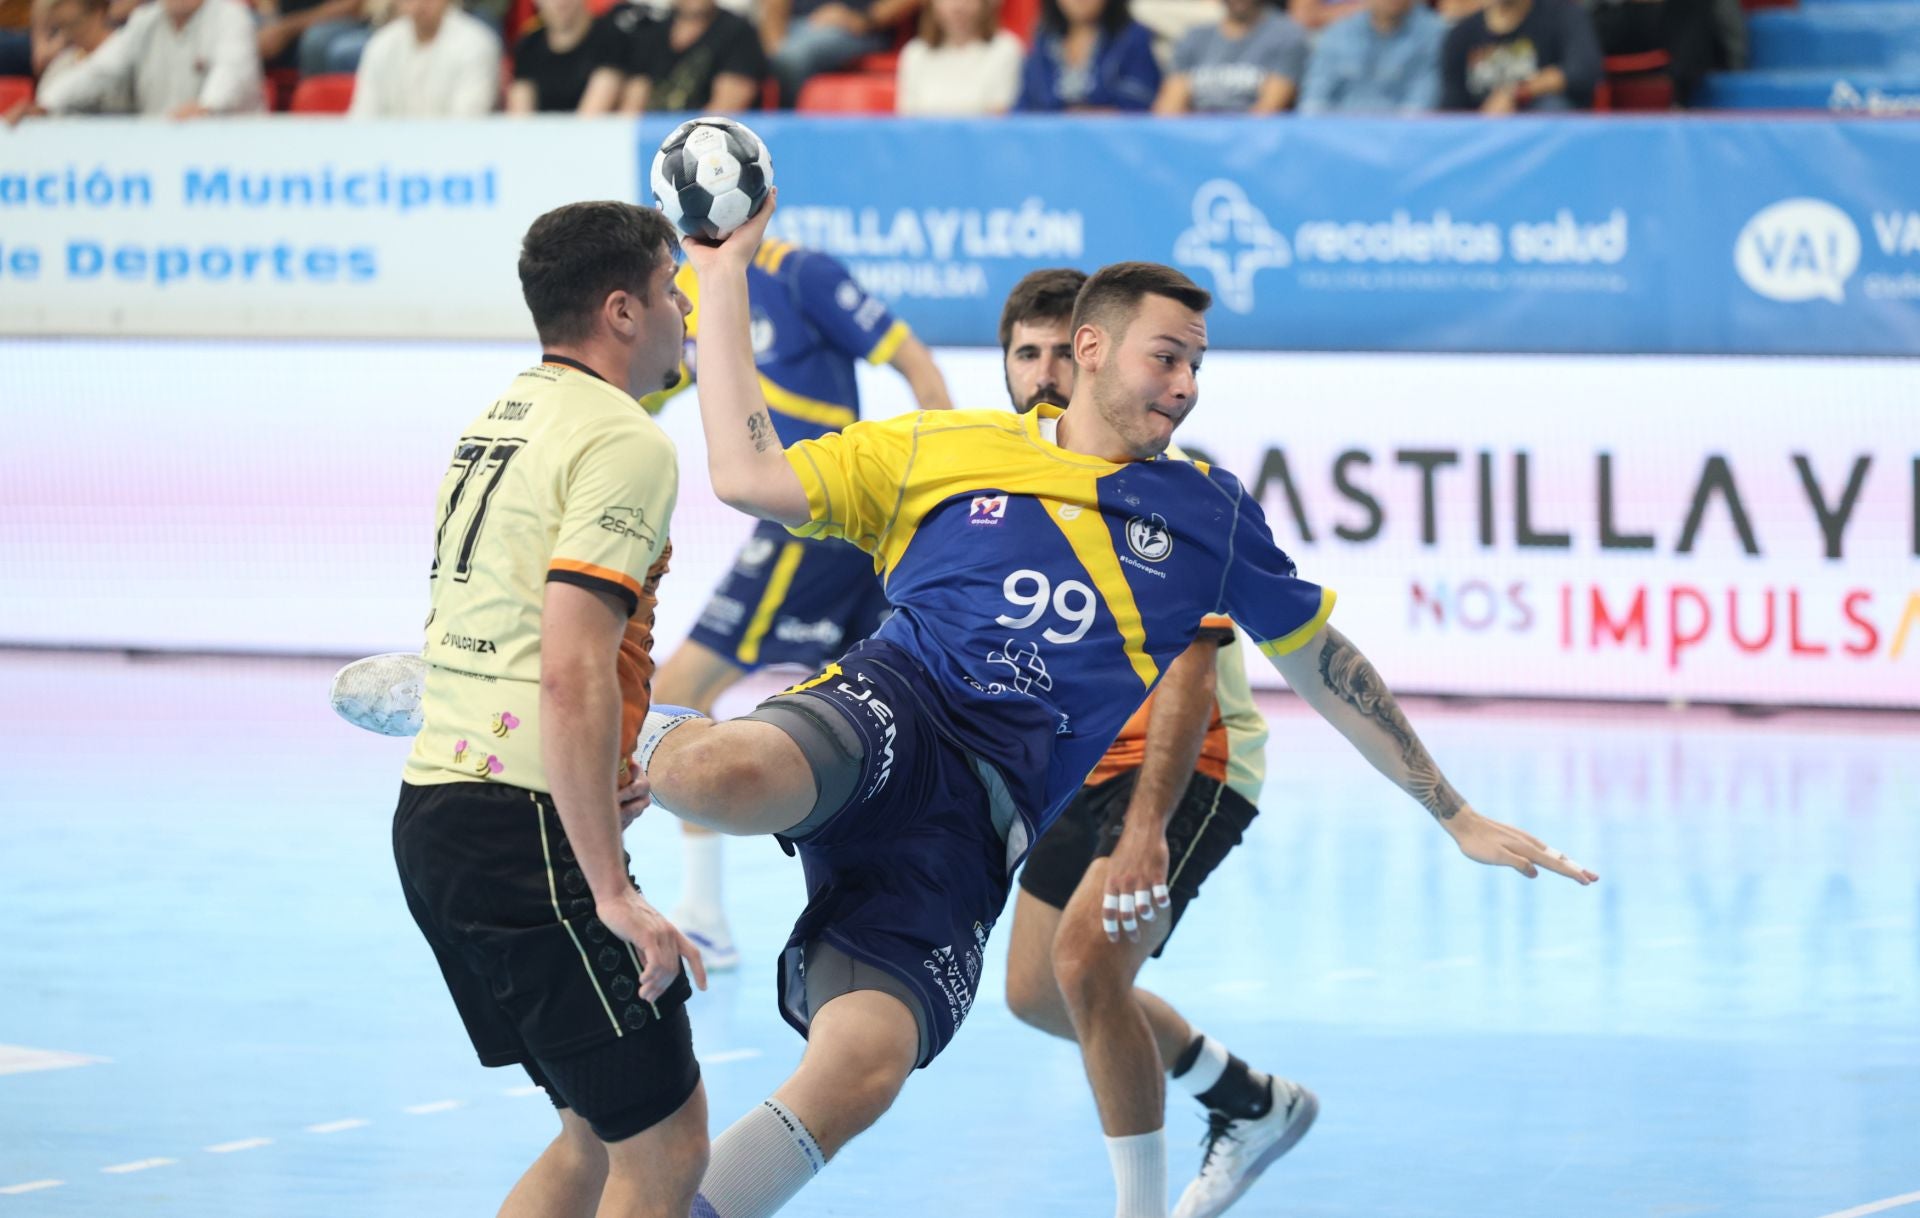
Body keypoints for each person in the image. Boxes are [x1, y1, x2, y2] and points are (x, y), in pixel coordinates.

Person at [643, 197, 1598, 1218]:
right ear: (1090, 350)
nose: (1186, 386)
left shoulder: (1209, 515)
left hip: (980, 824)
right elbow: (748, 473)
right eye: (1168, 358)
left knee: (865, 1068)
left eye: (1198, 366)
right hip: (897, 712)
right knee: (722, 775)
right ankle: (588, 728)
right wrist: (724, 269)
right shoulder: (940, 446)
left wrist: (1450, 810)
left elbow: (1323, 663)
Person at [389, 201, 709, 1218]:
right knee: (663, 1150)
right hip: (523, 837)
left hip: (442, 814)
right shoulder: (626, 441)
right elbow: (568, 672)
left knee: (592, 1137)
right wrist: (610, 889)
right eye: (671, 290)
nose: (683, 312)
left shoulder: (498, 419)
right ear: (621, 311)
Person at [994, 267, 1300, 1218]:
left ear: (1090, 353)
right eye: (1024, 355)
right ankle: (1251, 1101)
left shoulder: (1173, 489)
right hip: (1081, 765)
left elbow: (1188, 673)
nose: (1043, 372)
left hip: (1192, 759)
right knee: (1038, 994)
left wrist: (1145, 829)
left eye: (1057, 350)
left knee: (1087, 966)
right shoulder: (997, 473)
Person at [644, 237, 953, 970]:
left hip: (818, 513)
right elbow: (658, 386)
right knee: (887, 714)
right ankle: (888, 914)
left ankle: (707, 917)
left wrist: (944, 481)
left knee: (678, 691)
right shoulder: (682, 285)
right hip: (810, 525)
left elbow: (914, 361)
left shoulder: (800, 272)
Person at [30, 0, 263, 118]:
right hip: (160, 151)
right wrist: (45, 103)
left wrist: (206, 106)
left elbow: (231, 70)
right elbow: (100, 70)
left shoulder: (230, 15)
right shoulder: (145, 21)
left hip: (230, 157)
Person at [1439, 0, 1601, 113]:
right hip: (1483, 139)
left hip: (1543, 135)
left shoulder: (1563, 15)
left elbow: (1584, 69)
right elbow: (1451, 107)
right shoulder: (1461, 35)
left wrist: (1517, 93)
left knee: (1552, 106)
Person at [1151, 0, 1307, 115]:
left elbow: (1268, 110)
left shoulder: (1286, 36)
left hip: (1252, 144)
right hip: (1196, 140)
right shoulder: (1195, 37)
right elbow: (1168, 109)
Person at [348, 0, 500, 116]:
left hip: (453, 151)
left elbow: (468, 121)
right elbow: (363, 116)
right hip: (388, 151)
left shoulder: (476, 43)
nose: (420, 4)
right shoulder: (381, 44)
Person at [758, 0, 921, 108]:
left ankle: (788, 135)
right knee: (745, 49)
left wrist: (866, 19)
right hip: (796, 27)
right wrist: (773, 41)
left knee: (791, 59)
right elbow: (774, 10)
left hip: (857, 30)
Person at [619, 0, 767, 113]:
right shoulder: (653, 32)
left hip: (706, 141)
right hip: (655, 139)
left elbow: (727, 107)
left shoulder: (737, 31)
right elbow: (634, 102)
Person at [1296, 0, 1443, 113]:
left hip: (1402, 139)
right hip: (1339, 137)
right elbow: (1313, 100)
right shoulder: (1338, 33)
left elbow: (1421, 105)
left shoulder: (1436, 35)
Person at [1015, 0, 1158, 112]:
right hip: (1048, 146)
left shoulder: (1133, 38)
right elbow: (1023, 109)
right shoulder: (1042, 43)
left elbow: (1138, 108)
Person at [6, 0, 129, 123]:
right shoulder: (62, 63)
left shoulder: (123, 49)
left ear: (99, 12)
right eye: (62, 26)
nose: (70, 33)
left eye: (74, 23)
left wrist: (47, 105)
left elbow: (102, 72)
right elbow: (41, 109)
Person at [894, 0, 1023, 116]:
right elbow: (908, 123)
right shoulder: (914, 54)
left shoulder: (1005, 50)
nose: (958, 6)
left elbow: (999, 119)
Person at [508, 0, 629, 113]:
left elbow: (591, 119)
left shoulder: (610, 37)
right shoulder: (528, 46)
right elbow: (520, 118)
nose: (560, 2)